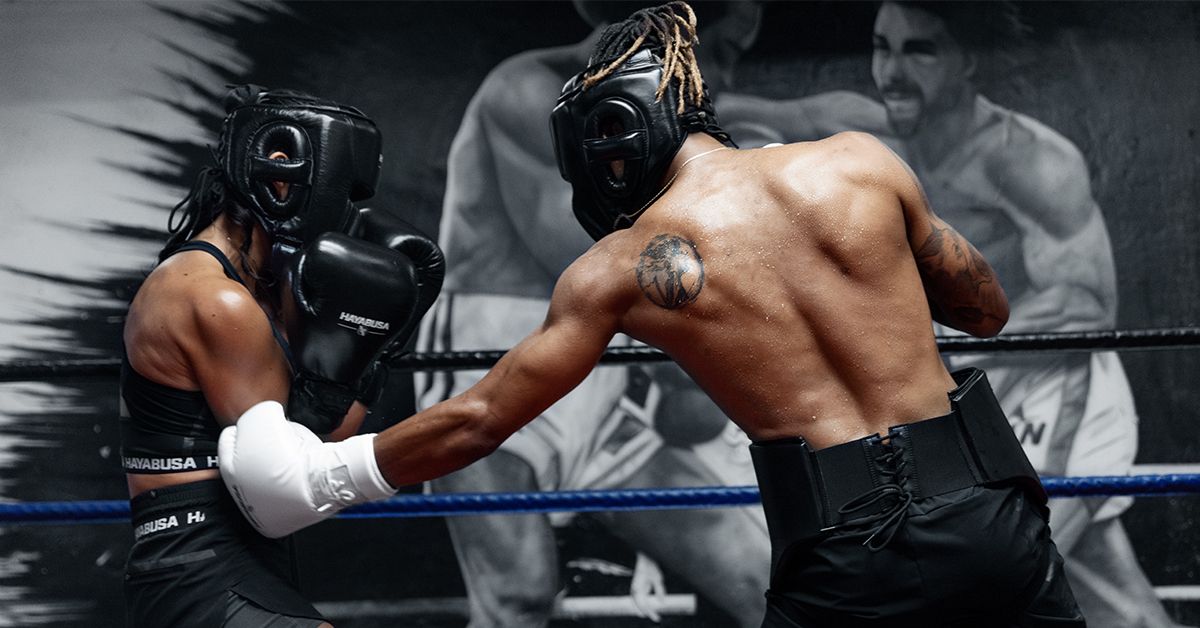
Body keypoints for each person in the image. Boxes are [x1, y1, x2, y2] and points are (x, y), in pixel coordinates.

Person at [219, 3, 1086, 626]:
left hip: (845, 544)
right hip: (989, 514)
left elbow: (481, 417)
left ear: (618, 136)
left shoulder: (620, 269)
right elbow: (985, 309)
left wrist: (321, 477)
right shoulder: (861, 162)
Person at [718, 3, 1179, 625]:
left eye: (921, 50)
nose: (892, 71)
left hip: (1053, 388)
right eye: (882, 46)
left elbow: (1087, 306)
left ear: (968, 60)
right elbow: (725, 115)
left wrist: (930, 342)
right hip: (957, 396)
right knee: (1097, 591)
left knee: (997, 585)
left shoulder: (1028, 159)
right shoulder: (856, 133)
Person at [415, 1, 768, 625]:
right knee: (516, 599)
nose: (728, 78)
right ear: (675, 40)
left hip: (600, 374)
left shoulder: (678, 125)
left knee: (759, 574)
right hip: (494, 362)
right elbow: (584, 255)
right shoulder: (525, 91)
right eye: (725, 53)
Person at [120, 85, 442, 628]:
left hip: (231, 560)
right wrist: (371, 341)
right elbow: (293, 467)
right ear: (280, 176)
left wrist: (374, 344)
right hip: (199, 566)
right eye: (340, 191)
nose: (347, 213)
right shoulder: (213, 297)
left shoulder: (255, 284)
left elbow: (321, 436)